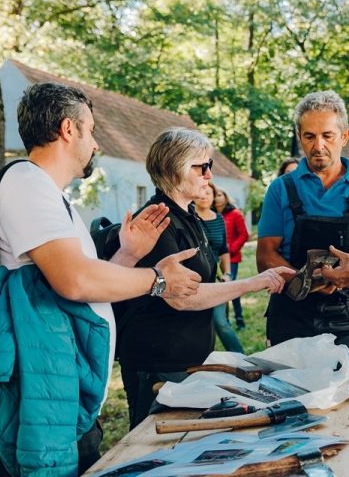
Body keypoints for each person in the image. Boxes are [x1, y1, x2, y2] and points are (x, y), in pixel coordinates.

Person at [0, 82, 204, 476]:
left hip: (59, 390)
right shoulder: (27, 184)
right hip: (39, 399)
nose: (95, 143)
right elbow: (75, 282)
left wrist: (127, 254)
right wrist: (157, 280)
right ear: (68, 130)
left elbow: (78, 286)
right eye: (91, 130)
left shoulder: (47, 192)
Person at [115, 127, 291, 429]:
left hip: (187, 361)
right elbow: (183, 298)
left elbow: (203, 280)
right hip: (158, 365)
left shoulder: (189, 215)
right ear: (176, 168)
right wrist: (256, 282)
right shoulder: (157, 220)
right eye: (203, 166)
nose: (209, 175)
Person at [257, 90, 349, 350]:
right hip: (291, 306)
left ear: (344, 136)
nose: (318, 146)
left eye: (327, 136)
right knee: (288, 387)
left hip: (347, 308)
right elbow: (265, 256)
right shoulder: (281, 188)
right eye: (309, 136)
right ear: (299, 138)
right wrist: (309, 282)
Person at [195, 182, 244, 353]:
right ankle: (202, 364)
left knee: (221, 323)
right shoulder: (189, 218)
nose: (204, 196)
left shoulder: (219, 219)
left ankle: (242, 361)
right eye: (201, 191)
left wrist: (228, 274)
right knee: (199, 328)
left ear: (213, 197)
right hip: (192, 281)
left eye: (208, 193)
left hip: (214, 280)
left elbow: (223, 250)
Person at [213, 187, 250, 329]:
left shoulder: (235, 214)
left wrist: (230, 250)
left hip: (232, 258)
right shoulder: (211, 214)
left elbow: (243, 234)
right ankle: (225, 320)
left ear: (226, 196)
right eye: (215, 195)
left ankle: (239, 319)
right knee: (220, 291)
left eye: (220, 195)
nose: (217, 198)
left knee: (232, 288)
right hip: (214, 259)